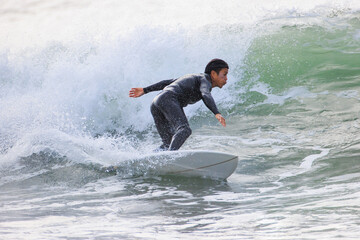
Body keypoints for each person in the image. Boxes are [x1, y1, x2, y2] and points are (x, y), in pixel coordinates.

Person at [129, 58, 229, 151]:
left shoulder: (194, 78)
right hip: (168, 99)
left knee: (168, 142)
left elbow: (167, 82)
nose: (226, 78)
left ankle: (153, 158)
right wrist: (216, 113)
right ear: (213, 74)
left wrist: (145, 90)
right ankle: (169, 158)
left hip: (156, 103)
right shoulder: (205, 80)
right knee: (185, 130)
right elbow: (205, 94)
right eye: (224, 74)